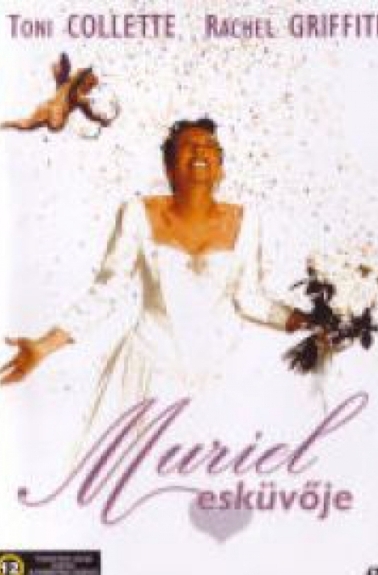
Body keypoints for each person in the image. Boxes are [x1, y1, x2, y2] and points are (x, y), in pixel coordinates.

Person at [0, 118, 310, 435]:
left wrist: (309, 321)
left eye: (209, 146)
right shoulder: (137, 213)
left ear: (221, 168)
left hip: (220, 373)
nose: (200, 151)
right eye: (188, 146)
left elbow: (249, 298)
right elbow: (107, 291)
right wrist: (44, 345)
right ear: (168, 167)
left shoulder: (247, 221)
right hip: (148, 367)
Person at [1, 53, 117, 132]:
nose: (90, 89)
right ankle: (4, 124)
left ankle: (5, 124)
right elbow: (58, 71)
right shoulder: (70, 86)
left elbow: (90, 114)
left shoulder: (79, 97)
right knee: (26, 123)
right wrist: (101, 120)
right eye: (90, 85)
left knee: (28, 123)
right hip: (50, 110)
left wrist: (101, 120)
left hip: (55, 115)